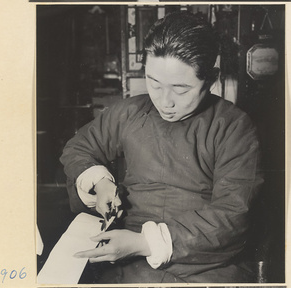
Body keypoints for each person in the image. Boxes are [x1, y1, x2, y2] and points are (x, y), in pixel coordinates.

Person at [60, 11, 264, 283]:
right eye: (154, 83)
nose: (164, 102)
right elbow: (79, 148)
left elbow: (234, 215)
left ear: (212, 78)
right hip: (123, 257)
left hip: (204, 263)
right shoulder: (130, 112)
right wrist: (100, 184)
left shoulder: (233, 127)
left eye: (180, 90)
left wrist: (145, 244)